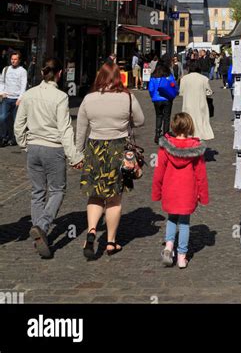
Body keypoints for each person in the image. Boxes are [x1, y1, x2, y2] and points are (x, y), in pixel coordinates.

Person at [14, 58, 83, 259]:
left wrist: (24, 143)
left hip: (34, 148)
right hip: (53, 149)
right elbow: (65, 130)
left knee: (37, 192)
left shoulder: (29, 94)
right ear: (60, 74)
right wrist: (74, 156)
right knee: (57, 190)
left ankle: (39, 234)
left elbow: (19, 125)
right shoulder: (61, 97)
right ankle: (42, 226)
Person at [76, 63, 145, 259]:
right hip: (118, 149)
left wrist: (78, 154)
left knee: (95, 194)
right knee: (114, 198)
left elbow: (81, 129)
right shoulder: (128, 97)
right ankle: (111, 242)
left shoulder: (89, 99)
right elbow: (140, 121)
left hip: (95, 149)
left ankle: (91, 231)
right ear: (119, 78)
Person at [152, 112, 209, 268]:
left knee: (171, 218)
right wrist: (203, 195)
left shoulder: (165, 147)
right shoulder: (195, 149)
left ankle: (169, 246)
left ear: (173, 126)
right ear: (190, 127)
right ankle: (182, 257)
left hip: (170, 190)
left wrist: (156, 192)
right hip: (187, 191)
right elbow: (201, 175)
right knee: (184, 223)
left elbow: (159, 172)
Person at [179, 62, 214, 141]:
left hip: (188, 103)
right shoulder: (204, 78)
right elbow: (208, 92)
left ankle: (189, 137)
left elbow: (181, 92)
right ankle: (199, 138)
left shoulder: (184, 78)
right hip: (200, 103)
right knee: (200, 121)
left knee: (189, 121)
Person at [0, 51, 28, 146]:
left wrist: (20, 98)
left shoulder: (22, 71)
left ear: (19, 60)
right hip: (6, 98)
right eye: (12, 59)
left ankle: (14, 139)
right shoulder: (6, 69)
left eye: (15, 59)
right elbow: (2, 82)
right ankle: (4, 137)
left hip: (17, 99)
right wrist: (1, 92)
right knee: (2, 118)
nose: (13, 61)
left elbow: (23, 86)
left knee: (16, 121)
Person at [148, 64, 178, 143]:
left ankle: (157, 135)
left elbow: (151, 89)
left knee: (158, 116)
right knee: (166, 118)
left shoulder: (153, 77)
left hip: (156, 99)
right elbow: (174, 86)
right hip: (167, 99)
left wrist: (153, 96)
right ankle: (166, 135)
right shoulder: (169, 76)